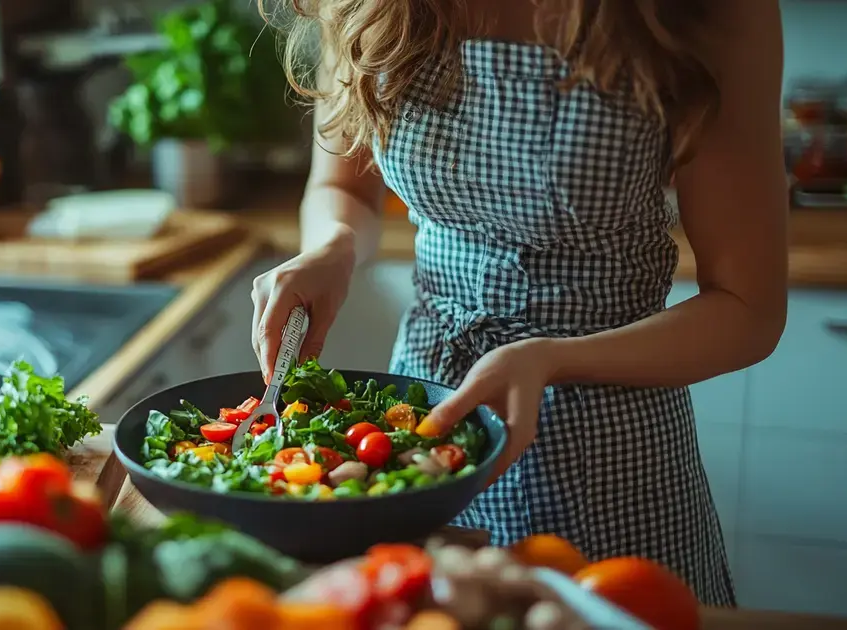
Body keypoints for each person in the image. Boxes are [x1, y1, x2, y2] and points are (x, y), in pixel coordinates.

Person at [250, 0, 788, 607]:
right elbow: (340, 184)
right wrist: (333, 248)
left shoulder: (703, 15)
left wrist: (551, 359)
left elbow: (749, 309)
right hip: (424, 426)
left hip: (613, 449)